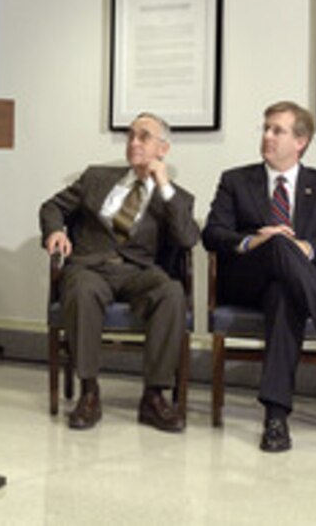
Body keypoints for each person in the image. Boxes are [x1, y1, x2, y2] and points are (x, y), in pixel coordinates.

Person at [202, 101, 316, 453]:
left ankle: (276, 419)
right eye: (266, 128)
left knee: (285, 292)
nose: (267, 136)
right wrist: (253, 240)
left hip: (302, 286)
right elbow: (212, 233)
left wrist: (307, 248)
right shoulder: (235, 180)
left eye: (277, 130)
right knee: (276, 243)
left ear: (300, 141)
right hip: (247, 281)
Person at [39, 113, 199, 432]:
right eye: (130, 136)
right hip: (90, 267)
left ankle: (154, 397)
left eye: (144, 136)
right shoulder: (96, 178)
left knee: (171, 291)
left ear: (162, 149)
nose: (134, 142)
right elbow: (52, 207)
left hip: (139, 271)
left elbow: (187, 239)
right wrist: (55, 231)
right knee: (83, 290)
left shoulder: (177, 197)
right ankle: (89, 392)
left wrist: (163, 186)